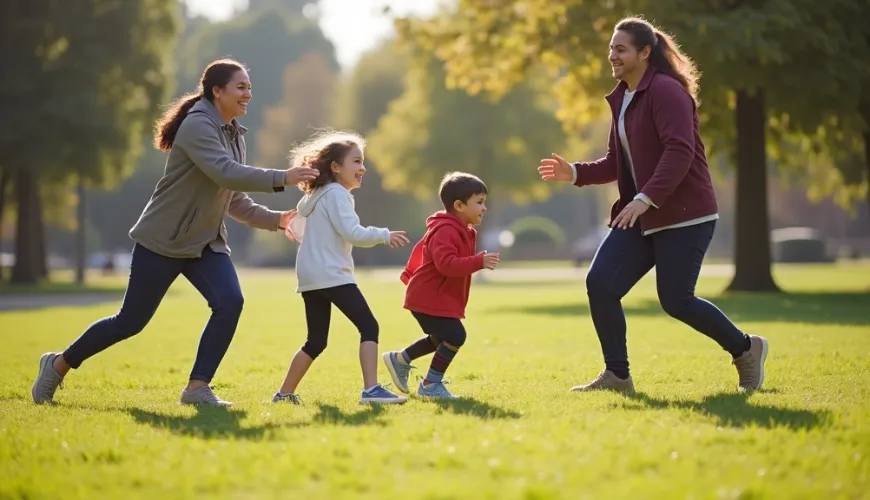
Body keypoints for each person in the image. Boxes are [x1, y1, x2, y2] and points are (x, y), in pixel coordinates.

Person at [31, 58, 319, 407]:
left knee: (230, 301)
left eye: (249, 87)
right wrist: (284, 177)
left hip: (204, 243)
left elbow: (233, 198)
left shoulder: (232, 134)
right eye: (240, 87)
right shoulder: (198, 125)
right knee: (129, 322)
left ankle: (197, 388)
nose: (248, 94)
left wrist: (278, 220)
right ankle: (58, 364)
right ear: (217, 91)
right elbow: (225, 173)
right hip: (163, 241)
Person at [537, 17, 769, 394]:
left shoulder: (666, 91)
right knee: (600, 283)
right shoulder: (624, 97)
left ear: (645, 52)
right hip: (641, 213)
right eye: (611, 48)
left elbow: (681, 150)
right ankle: (618, 375)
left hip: (684, 214)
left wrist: (645, 199)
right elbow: (618, 160)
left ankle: (746, 349)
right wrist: (575, 172)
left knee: (677, 300)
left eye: (620, 49)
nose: (612, 55)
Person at [272, 130, 410, 405]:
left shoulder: (317, 195)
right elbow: (352, 232)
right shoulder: (337, 194)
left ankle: (284, 394)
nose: (363, 168)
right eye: (356, 162)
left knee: (316, 341)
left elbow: (299, 229)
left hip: (311, 278)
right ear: (336, 167)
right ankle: (371, 390)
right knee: (369, 326)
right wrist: (384, 234)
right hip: (332, 275)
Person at [382, 172, 499, 399]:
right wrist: (478, 262)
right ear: (459, 205)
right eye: (480, 202)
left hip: (436, 296)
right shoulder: (445, 230)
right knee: (455, 336)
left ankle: (400, 359)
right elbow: (446, 265)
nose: (484, 208)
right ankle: (430, 385)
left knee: (441, 337)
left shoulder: (462, 230)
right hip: (427, 297)